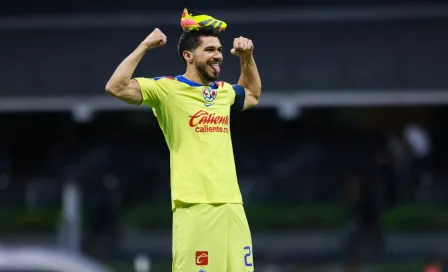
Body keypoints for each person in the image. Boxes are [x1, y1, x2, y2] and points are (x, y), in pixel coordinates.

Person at [105, 8, 261, 272]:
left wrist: (247, 57)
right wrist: (145, 46)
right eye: (210, 50)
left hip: (232, 204)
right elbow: (116, 86)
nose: (218, 56)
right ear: (188, 56)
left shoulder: (223, 92)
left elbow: (252, 94)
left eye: (219, 50)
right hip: (194, 205)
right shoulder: (167, 90)